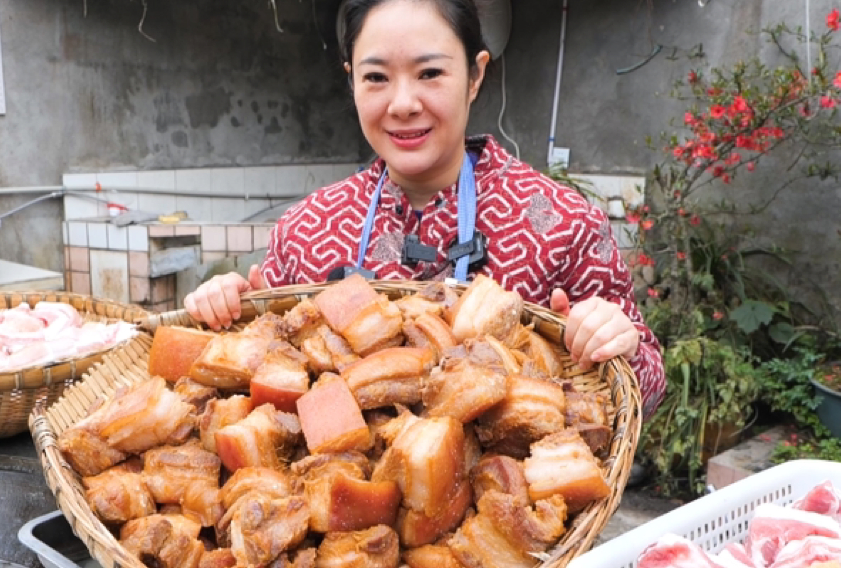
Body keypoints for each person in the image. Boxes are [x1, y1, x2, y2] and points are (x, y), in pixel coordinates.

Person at [185, 0, 665, 417]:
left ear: (475, 75)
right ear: (352, 81)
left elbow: (647, 389)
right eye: (376, 77)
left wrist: (614, 342)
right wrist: (227, 312)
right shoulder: (305, 230)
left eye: (430, 73)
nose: (402, 103)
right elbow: (252, 383)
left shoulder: (561, 221)